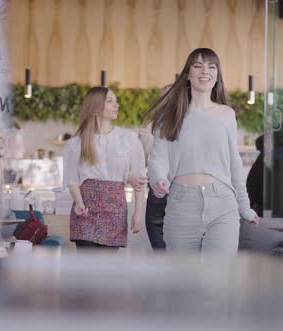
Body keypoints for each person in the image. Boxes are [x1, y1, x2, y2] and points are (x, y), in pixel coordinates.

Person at [145, 48, 258, 254]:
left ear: (217, 76)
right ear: (188, 74)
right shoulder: (169, 114)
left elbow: (234, 163)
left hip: (223, 203)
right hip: (181, 204)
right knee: (183, 282)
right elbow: (158, 158)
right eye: (197, 66)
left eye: (211, 66)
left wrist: (245, 207)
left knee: (218, 281)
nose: (205, 70)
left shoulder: (226, 115)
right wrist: (158, 179)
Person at [63, 87, 145, 250]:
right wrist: (79, 202)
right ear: (95, 106)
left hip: (115, 210)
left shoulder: (129, 139)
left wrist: (138, 212)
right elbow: (72, 181)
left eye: (116, 101)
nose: (117, 105)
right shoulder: (76, 143)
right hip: (85, 211)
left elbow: (139, 180)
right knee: (88, 269)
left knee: (107, 269)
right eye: (110, 101)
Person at [134, 84, 172, 250]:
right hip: (169, 189)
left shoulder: (150, 126)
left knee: (160, 247)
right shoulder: (191, 124)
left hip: (159, 188)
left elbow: (140, 162)